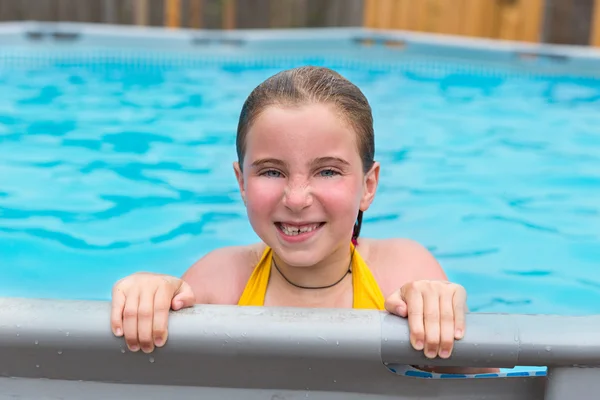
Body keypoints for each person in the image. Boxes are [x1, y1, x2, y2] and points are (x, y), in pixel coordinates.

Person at [110, 66, 493, 373]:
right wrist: (147, 299)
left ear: (368, 185)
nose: (295, 199)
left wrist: (442, 316)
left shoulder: (403, 273)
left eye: (327, 172)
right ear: (242, 182)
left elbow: (480, 380)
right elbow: (149, 375)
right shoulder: (221, 281)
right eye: (271, 172)